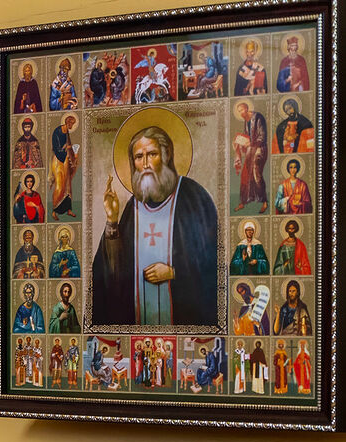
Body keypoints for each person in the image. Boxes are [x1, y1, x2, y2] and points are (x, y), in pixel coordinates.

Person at [92, 117, 219, 326]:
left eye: (152, 154)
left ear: (166, 156)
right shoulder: (133, 206)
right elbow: (113, 273)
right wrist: (112, 221)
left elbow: (213, 263)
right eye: (138, 157)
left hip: (184, 323)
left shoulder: (193, 198)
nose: (145, 164)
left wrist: (174, 272)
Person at [232, 101, 267, 211]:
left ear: (246, 109)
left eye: (242, 110)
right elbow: (247, 136)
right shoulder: (246, 120)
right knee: (245, 175)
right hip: (250, 149)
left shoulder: (258, 117)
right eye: (239, 112)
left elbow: (262, 137)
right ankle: (244, 201)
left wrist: (250, 143)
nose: (241, 113)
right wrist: (240, 142)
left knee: (256, 174)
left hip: (260, 149)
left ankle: (264, 201)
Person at [50, 114, 79, 218]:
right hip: (58, 161)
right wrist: (65, 148)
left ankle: (68, 210)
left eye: (73, 124)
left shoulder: (66, 133)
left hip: (65, 160)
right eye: (71, 124)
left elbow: (69, 147)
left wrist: (73, 155)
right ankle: (54, 210)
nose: (72, 126)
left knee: (68, 186)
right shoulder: (57, 132)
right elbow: (56, 148)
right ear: (68, 123)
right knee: (59, 186)